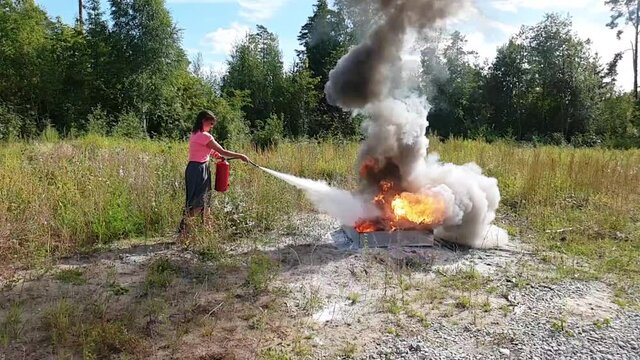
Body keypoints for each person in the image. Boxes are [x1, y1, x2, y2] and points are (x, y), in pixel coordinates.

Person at [178, 110, 250, 240]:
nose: (212, 126)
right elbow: (222, 151)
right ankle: (183, 235)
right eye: (211, 123)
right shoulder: (205, 136)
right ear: (203, 121)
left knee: (204, 201)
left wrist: (218, 156)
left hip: (195, 168)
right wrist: (241, 156)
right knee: (198, 203)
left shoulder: (195, 134)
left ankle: (206, 232)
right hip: (199, 170)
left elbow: (209, 151)